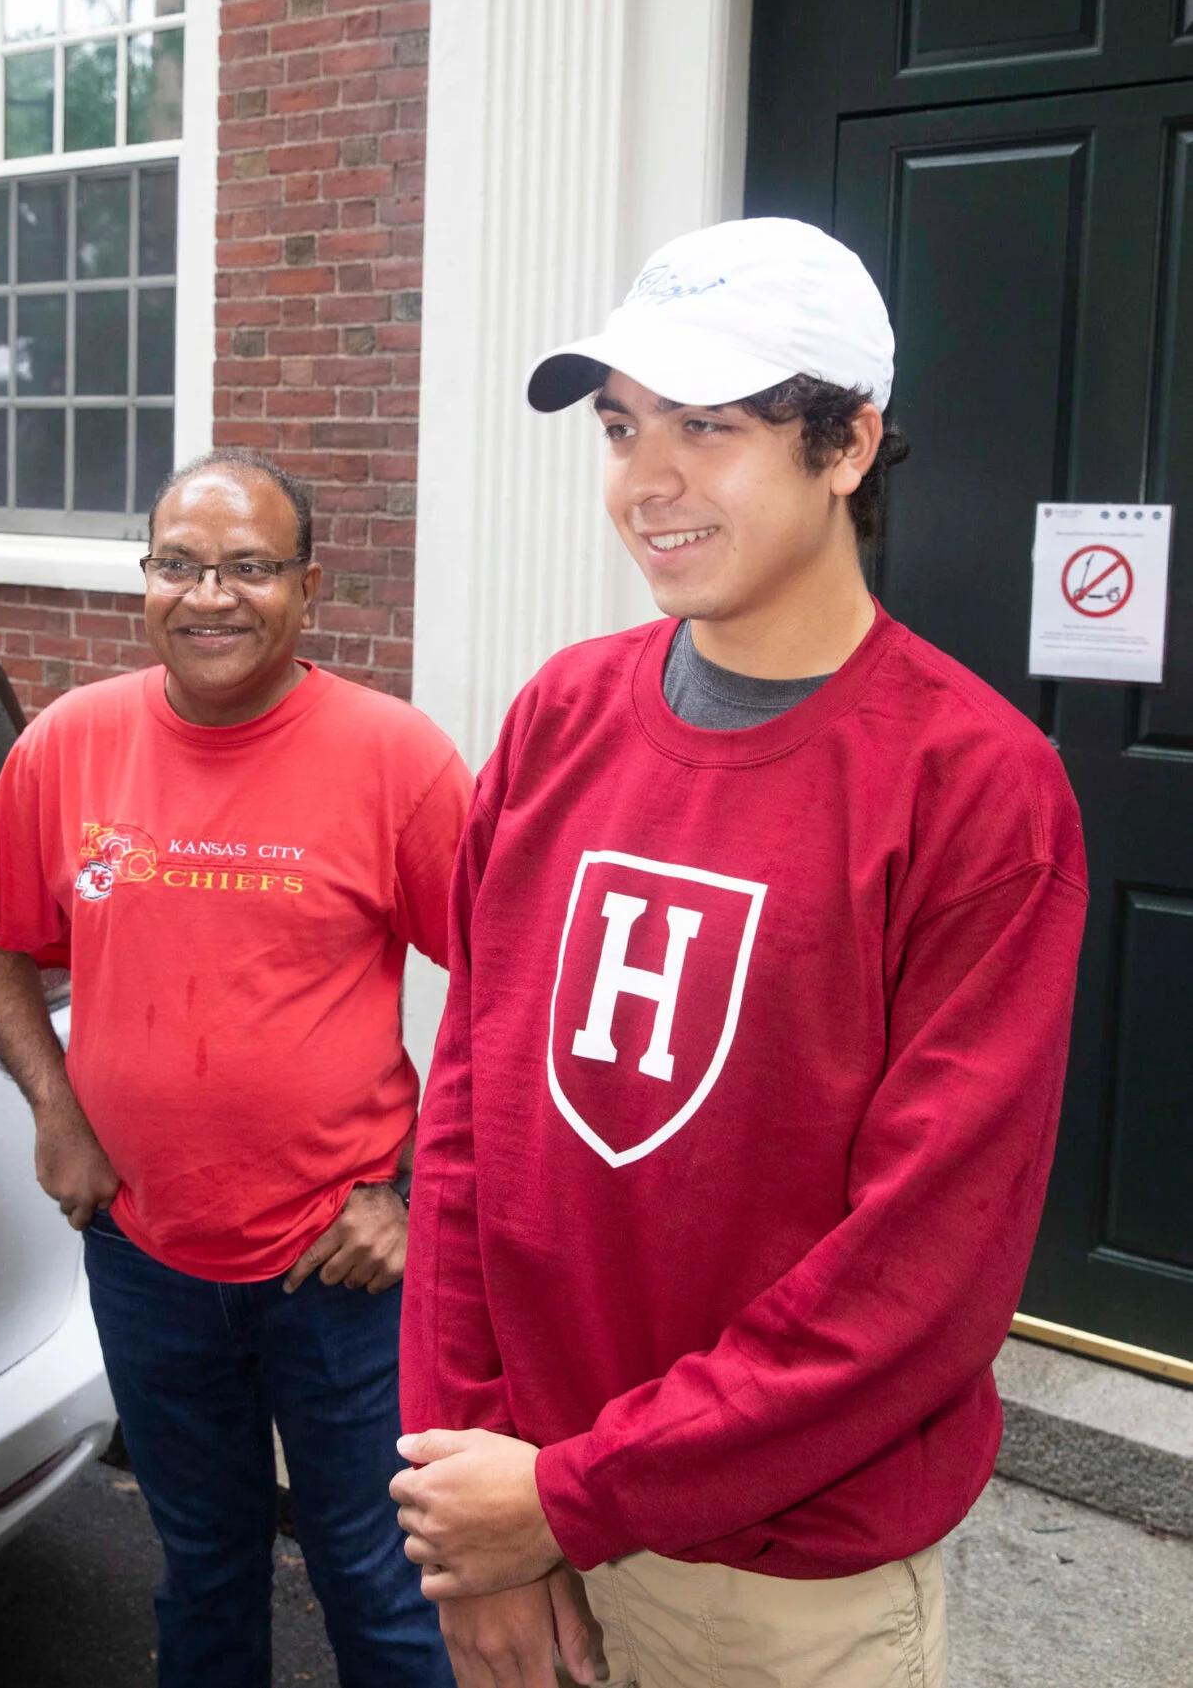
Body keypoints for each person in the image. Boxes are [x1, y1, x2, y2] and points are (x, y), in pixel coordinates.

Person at [389, 219, 1088, 1688]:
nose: (647, 479)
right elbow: (465, 1125)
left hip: (778, 1579)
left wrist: (568, 1494)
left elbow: (921, 1279)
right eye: (621, 424)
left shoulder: (975, 787)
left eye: (708, 427)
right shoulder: (556, 718)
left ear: (846, 445)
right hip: (524, 1508)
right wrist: (472, 1495)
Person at [0, 449, 468, 1688]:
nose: (210, 597)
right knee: (202, 1570)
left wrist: (411, 1190)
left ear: (309, 587)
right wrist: (56, 1109)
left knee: (382, 1589)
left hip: (340, 1269)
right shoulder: (71, 744)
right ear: (146, 580)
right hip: (143, 1250)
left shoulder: (397, 760)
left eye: (248, 568)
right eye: (179, 565)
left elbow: (510, 992)